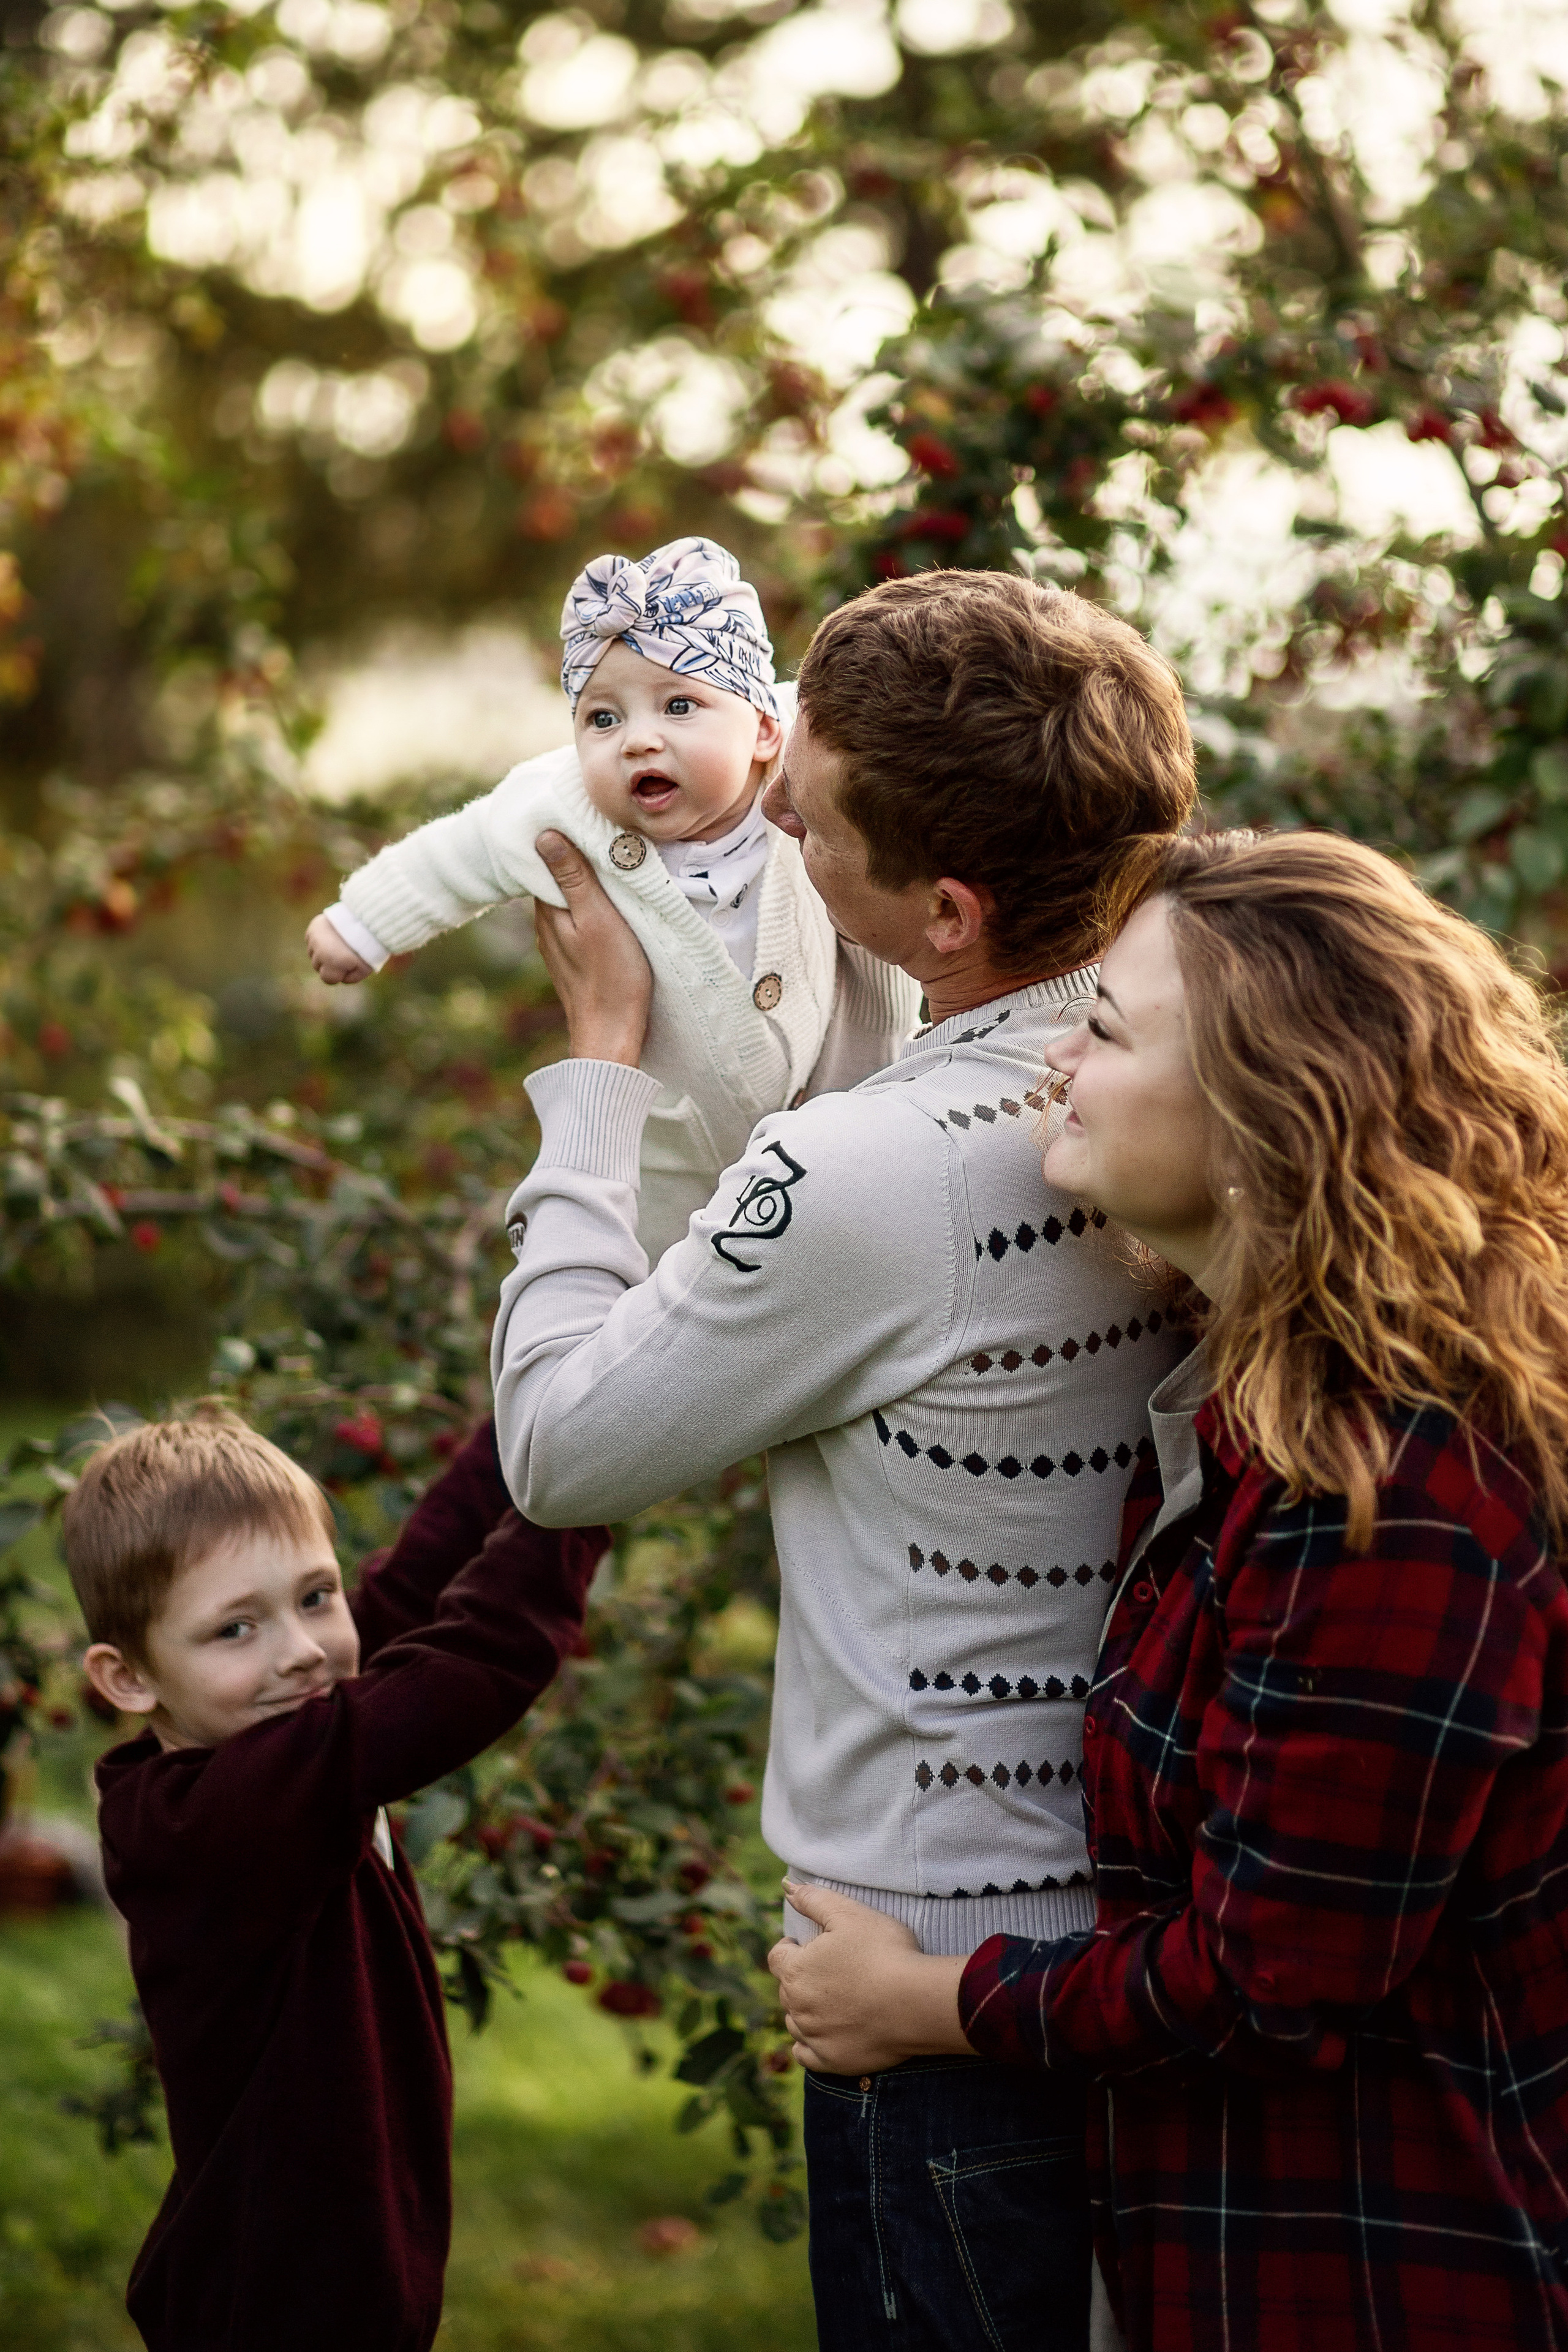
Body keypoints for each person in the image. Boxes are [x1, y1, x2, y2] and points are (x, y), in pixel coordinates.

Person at [491, 569, 1197, 2350]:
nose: (776, 791)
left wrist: (599, 1063)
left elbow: (558, 1443)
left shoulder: (873, 1182)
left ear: (945, 908)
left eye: (820, 791)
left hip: (929, 1987)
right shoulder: (1194, 1064)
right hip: (1130, 1939)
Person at [769, 827, 1568, 2352]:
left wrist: (934, 2000)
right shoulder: (1253, 1402)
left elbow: (1269, 1974)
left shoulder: (1395, 1495)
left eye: (1110, 1026)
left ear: (1267, 1105)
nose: (1053, 1055)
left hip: (1390, 2272)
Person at [63, 1409, 606, 2352]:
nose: (304, 1650)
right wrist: (595, 1475)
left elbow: (418, 1583)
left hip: (322, 2280)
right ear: (129, 1678)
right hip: (280, 2308)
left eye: (316, 1596)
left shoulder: (275, 1720)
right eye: (236, 1627)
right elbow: (472, 1662)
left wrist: (541, 1411)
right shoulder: (219, 1817)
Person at [305, 534, 918, 1259]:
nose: (637, 741)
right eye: (603, 718)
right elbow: (460, 849)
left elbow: (887, 751)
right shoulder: (563, 808)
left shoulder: (810, 765)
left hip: (834, 1064)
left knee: (861, 1151)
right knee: (665, 1246)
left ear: (762, 728)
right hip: (672, 1139)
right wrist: (364, 923)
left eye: (679, 705)